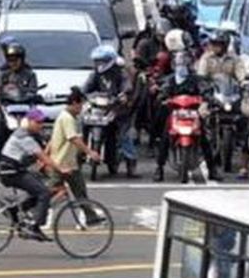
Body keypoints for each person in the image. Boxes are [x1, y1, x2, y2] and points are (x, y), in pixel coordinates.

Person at [0, 109, 61, 241]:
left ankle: (13, 210)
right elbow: (43, 157)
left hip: (15, 169)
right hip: (11, 172)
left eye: (41, 122)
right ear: (29, 122)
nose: (40, 125)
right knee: (44, 193)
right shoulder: (24, 137)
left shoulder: (28, 134)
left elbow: (37, 159)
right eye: (37, 122)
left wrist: (47, 170)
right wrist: (61, 169)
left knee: (38, 184)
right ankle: (35, 227)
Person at [152, 51, 216, 182]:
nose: (182, 67)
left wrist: (207, 98)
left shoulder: (196, 79)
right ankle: (159, 168)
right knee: (165, 137)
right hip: (175, 114)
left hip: (193, 114)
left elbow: (205, 90)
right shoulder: (170, 80)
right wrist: (162, 97)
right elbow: (163, 91)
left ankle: (212, 169)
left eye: (185, 64)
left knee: (204, 138)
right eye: (179, 64)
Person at [46, 88, 105, 222]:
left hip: (70, 162)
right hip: (61, 162)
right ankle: (29, 208)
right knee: (50, 191)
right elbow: (73, 138)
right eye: (80, 105)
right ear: (74, 103)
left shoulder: (68, 117)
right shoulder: (67, 118)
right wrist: (90, 152)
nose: (81, 108)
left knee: (80, 190)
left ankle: (91, 216)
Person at [83, 44, 137, 177]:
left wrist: (124, 95)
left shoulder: (120, 72)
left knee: (124, 134)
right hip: (100, 108)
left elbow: (127, 86)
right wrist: (83, 94)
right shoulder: (96, 73)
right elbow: (86, 87)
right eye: (97, 61)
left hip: (118, 109)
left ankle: (131, 161)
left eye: (101, 61)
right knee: (83, 123)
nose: (98, 64)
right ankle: (81, 153)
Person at [0, 41, 40, 172]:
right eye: (10, 59)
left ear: (22, 59)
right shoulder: (3, 74)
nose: (13, 62)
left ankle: (44, 160)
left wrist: (34, 98)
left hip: (26, 108)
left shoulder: (30, 74)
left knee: (40, 124)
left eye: (16, 59)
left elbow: (34, 91)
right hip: (6, 108)